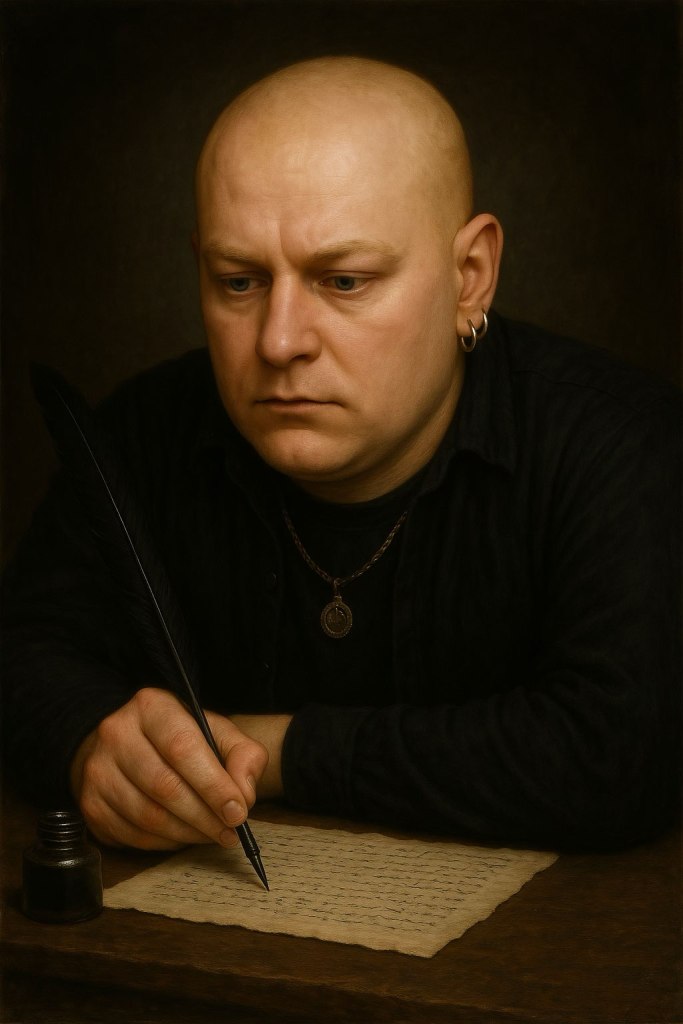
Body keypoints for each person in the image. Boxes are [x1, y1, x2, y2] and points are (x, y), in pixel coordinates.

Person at [2, 57, 680, 855]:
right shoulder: (142, 433)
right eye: (239, 281)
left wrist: (276, 751)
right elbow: (23, 652)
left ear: (470, 276)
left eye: (345, 281)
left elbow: (614, 755)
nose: (280, 341)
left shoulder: (617, 444)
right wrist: (90, 740)